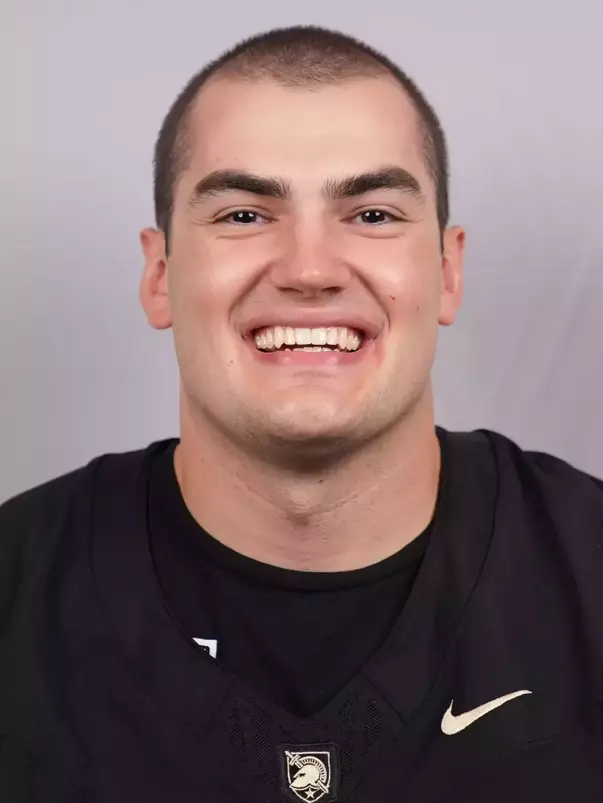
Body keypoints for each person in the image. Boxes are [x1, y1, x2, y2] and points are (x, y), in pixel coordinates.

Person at [1, 23, 602, 803]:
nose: (310, 269)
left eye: (374, 214)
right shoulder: (16, 593)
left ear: (448, 271)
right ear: (158, 273)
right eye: (244, 215)